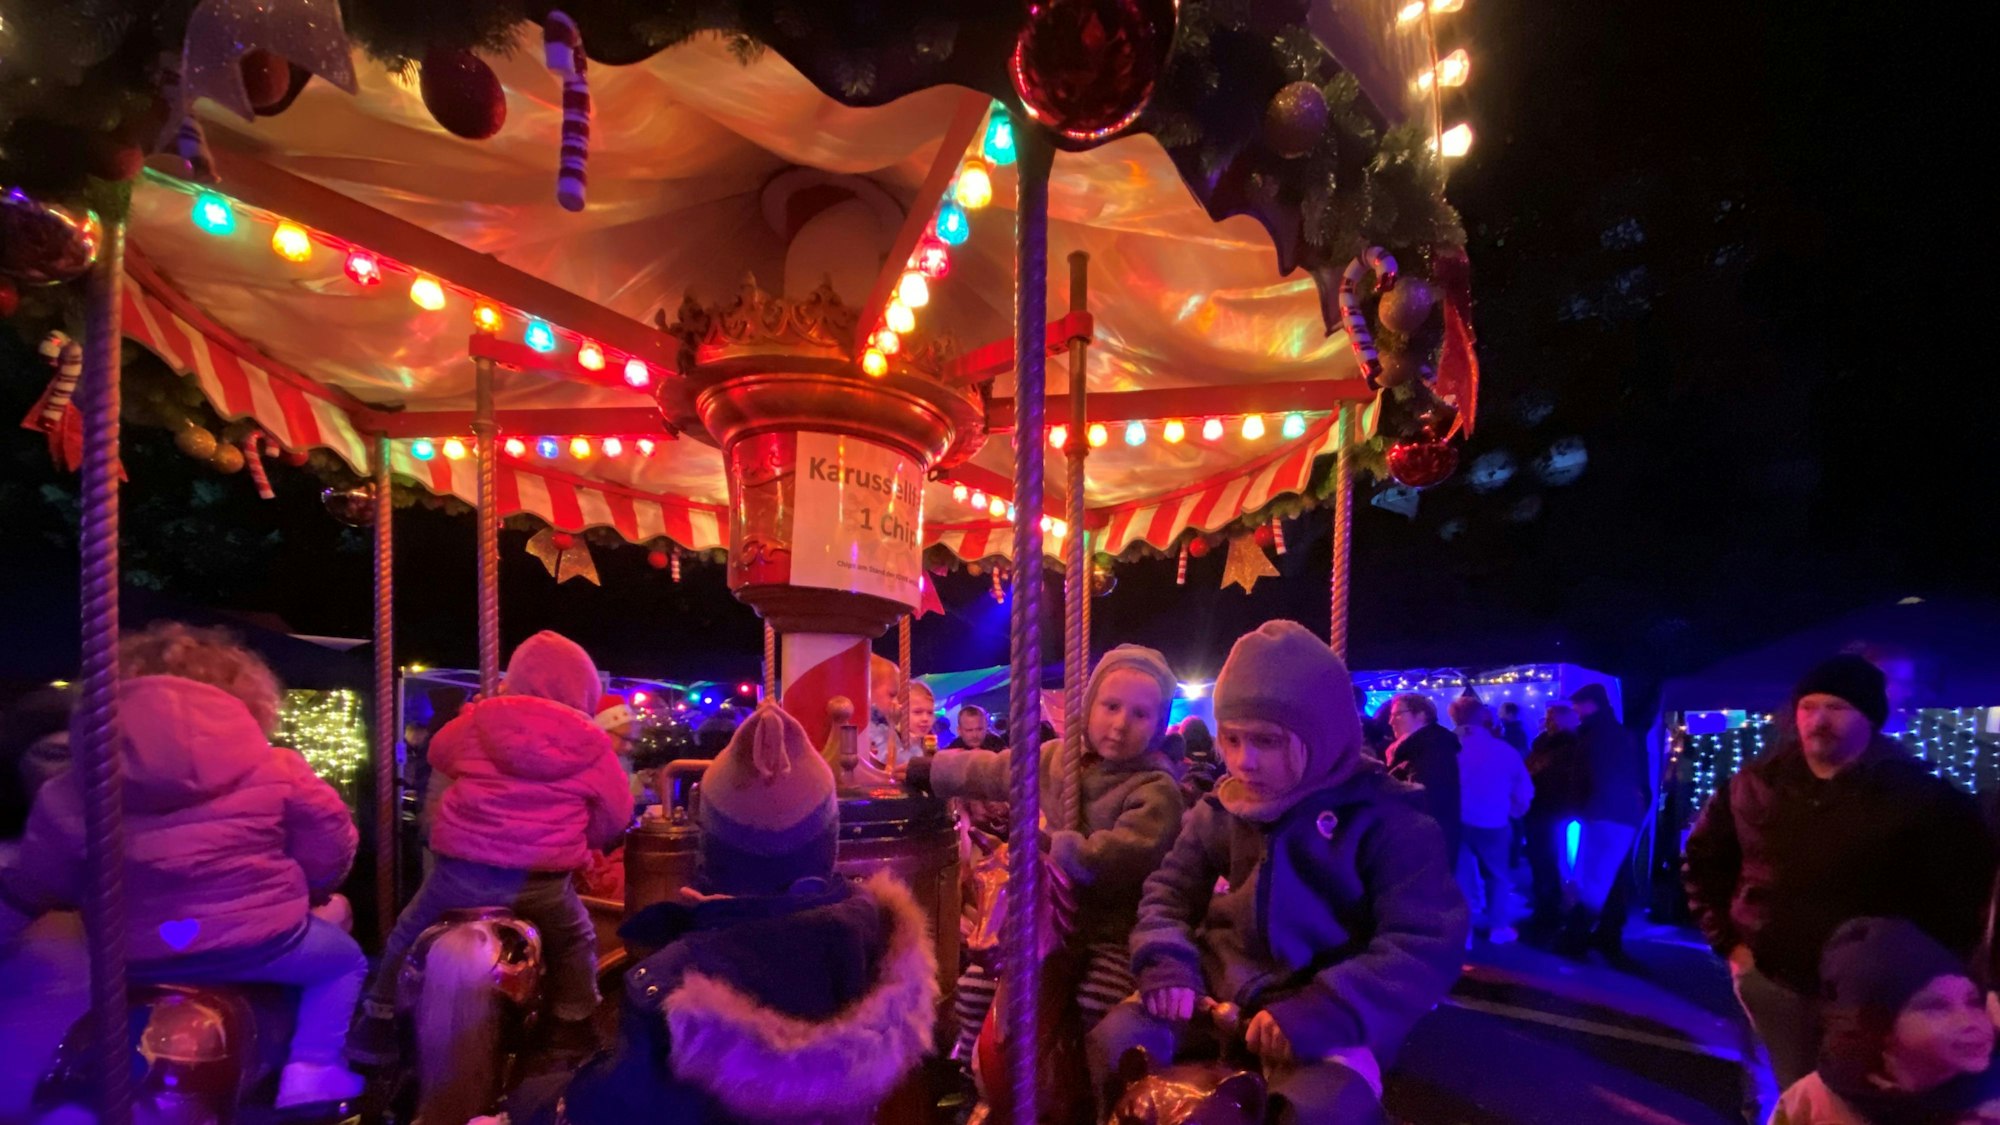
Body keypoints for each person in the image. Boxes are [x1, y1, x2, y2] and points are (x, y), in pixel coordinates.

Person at [1098, 621, 1467, 1122]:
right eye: (1232, 738)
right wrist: (1167, 961)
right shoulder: (1220, 809)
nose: (1244, 761)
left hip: (1325, 1007)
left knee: (1320, 1109)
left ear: (1319, 735)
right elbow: (1167, 893)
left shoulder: (1389, 817)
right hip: (1217, 996)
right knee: (1116, 1044)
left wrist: (1331, 1006)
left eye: (1267, 741)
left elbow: (1423, 940)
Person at [507, 703, 938, 1125]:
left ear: (712, 850)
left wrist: (535, 1099)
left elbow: (611, 1108)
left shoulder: (677, 986)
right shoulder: (880, 943)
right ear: (828, 844)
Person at [0, 623, 366, 1107]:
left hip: (136, 956)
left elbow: (41, 877)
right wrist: (316, 883)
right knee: (342, 963)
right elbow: (330, 841)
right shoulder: (278, 767)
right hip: (262, 943)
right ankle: (313, 1068)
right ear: (247, 701)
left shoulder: (74, 789)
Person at [1682, 655, 1997, 1092]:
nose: (1819, 720)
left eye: (1837, 708)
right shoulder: (1756, 784)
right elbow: (1704, 861)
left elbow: (1959, 894)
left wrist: (1923, 976)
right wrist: (1732, 946)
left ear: (1869, 717)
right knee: (1776, 1089)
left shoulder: (1921, 797)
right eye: (1809, 707)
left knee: (1855, 1097)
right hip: (1772, 978)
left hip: (1871, 993)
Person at [350, 631, 631, 1068]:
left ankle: (379, 1019)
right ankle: (571, 1027)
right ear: (585, 690)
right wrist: (581, 836)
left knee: (410, 929)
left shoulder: (477, 722)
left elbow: (439, 753)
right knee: (577, 939)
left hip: (463, 874)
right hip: (542, 882)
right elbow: (615, 814)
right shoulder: (593, 745)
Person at [906, 645, 1185, 1057]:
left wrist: (1056, 846)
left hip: (1106, 929)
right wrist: (931, 771)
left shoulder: (1155, 789)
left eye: (1140, 714)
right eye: (1110, 706)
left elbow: (1124, 855)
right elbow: (996, 769)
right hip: (1039, 920)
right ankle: (973, 1075)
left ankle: (1084, 1097)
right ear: (1089, 706)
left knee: (1095, 1002)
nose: (1121, 724)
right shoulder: (1056, 758)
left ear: (1159, 725)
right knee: (976, 990)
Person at [1771, 917, 2000, 1125]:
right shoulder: (1814, 1100)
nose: (1969, 1021)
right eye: (1936, 1007)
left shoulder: (1989, 1104)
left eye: (1973, 1002)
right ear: (1877, 1025)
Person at [1561, 682, 1648, 956]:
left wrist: (1578, 809)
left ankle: (1573, 939)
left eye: (1577, 704)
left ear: (1590, 703)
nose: (1574, 710)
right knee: (1613, 875)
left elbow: (1586, 776)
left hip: (1602, 812)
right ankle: (1609, 934)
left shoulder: (1593, 734)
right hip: (1623, 814)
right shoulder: (1622, 733)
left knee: (1593, 877)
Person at [1451, 698, 1534, 945]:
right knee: (1497, 876)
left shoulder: (1448, 747)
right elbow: (1523, 789)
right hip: (1493, 822)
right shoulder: (1503, 750)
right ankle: (1498, 928)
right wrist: (1516, 812)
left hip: (1455, 821)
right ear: (1483, 717)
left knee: (1460, 878)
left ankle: (1463, 933)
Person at [1521, 703, 1583, 940]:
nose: (1549, 722)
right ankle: (1547, 910)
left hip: (1558, 812)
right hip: (1544, 811)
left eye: (1553, 717)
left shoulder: (1568, 747)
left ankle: (1551, 912)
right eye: (1548, 717)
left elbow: (1540, 775)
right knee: (1544, 863)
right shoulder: (1545, 745)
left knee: (1554, 863)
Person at [1384, 693, 1463, 862]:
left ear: (1421, 715)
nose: (1391, 721)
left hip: (1425, 843)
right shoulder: (1420, 746)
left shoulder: (1431, 749)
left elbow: (1424, 800)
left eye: (1397, 714)